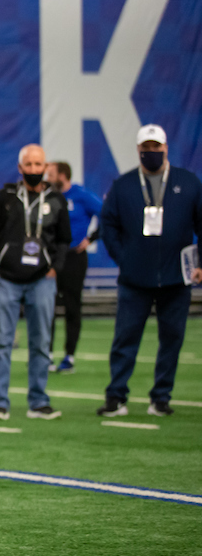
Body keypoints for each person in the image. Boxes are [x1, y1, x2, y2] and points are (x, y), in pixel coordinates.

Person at [97, 124, 202, 418]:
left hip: (175, 278)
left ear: (166, 148)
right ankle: (116, 396)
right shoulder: (124, 185)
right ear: (138, 150)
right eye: (147, 148)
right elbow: (108, 226)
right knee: (125, 339)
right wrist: (124, 258)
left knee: (172, 339)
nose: (152, 152)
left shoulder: (189, 182)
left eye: (157, 147)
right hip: (134, 279)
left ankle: (161, 397)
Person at [0, 144, 71, 421]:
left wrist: (57, 268)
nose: (33, 170)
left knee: (41, 342)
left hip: (42, 279)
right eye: (28, 165)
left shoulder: (56, 200)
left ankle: (38, 402)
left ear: (45, 167)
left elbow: (64, 239)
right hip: (5, 279)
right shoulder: (4, 198)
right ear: (20, 168)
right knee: (1, 342)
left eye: (38, 165)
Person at [44, 161, 102, 374]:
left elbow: (106, 214)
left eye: (51, 174)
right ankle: (46, 354)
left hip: (74, 257)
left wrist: (92, 238)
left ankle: (69, 355)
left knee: (72, 306)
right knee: (46, 304)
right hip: (52, 257)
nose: (47, 178)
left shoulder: (81, 195)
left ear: (62, 176)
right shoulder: (48, 196)